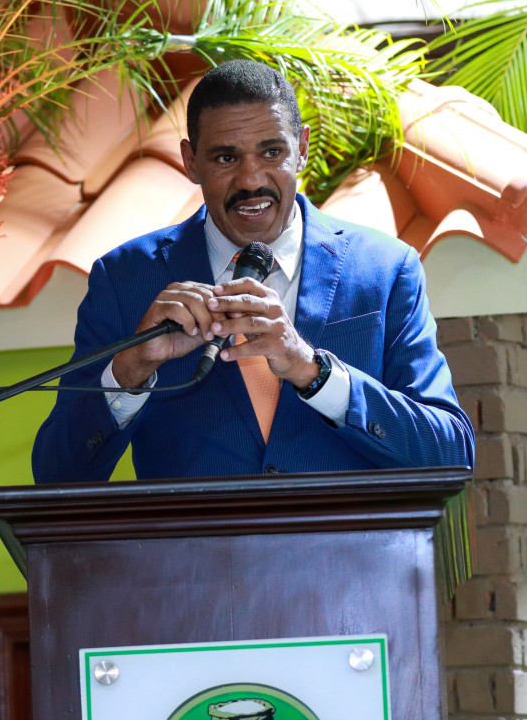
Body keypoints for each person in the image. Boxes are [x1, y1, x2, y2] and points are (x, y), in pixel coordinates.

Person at [32, 59, 474, 483]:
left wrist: (314, 371)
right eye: (226, 158)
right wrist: (131, 369)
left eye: (271, 152)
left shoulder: (385, 270)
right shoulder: (125, 280)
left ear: (301, 149)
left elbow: (451, 454)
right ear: (190, 161)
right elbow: (56, 474)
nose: (250, 180)